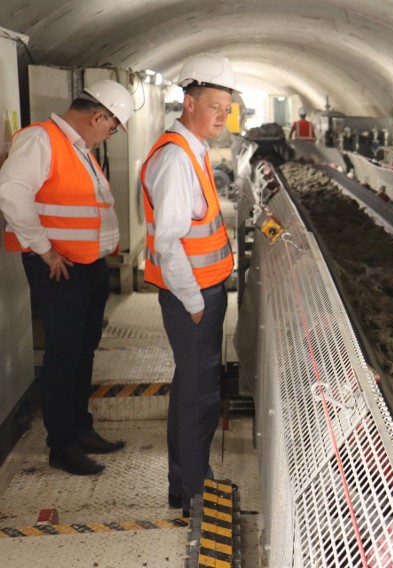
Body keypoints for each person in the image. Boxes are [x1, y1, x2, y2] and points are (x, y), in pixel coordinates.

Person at [0, 80, 134, 475]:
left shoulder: (77, 148)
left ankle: (80, 428)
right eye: (111, 128)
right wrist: (44, 249)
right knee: (62, 355)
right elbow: (10, 192)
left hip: (85, 265)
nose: (108, 135)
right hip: (59, 267)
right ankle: (62, 446)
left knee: (82, 350)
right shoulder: (41, 140)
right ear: (97, 116)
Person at [140, 53, 236, 515]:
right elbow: (168, 241)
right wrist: (195, 301)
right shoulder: (177, 159)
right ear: (189, 102)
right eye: (215, 104)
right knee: (201, 393)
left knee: (190, 387)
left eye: (228, 107)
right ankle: (197, 493)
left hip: (200, 293)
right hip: (191, 298)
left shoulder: (192, 150)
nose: (223, 114)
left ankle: (185, 482)